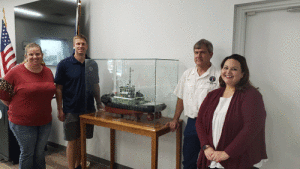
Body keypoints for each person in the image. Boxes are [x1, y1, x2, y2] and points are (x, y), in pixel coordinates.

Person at [196, 54, 268, 169]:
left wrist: (227, 153)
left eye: (234, 69)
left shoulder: (252, 96)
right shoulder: (213, 95)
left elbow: (252, 127)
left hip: (240, 161)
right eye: (225, 68)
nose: (228, 71)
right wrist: (206, 147)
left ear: (243, 74)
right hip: (212, 159)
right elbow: (199, 121)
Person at [166, 39, 220, 169]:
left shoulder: (218, 75)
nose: (198, 56)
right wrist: (175, 119)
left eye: (202, 52)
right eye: (196, 52)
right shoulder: (188, 74)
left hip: (210, 125)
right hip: (191, 123)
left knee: (210, 162)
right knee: (189, 160)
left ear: (211, 54)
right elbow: (181, 98)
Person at [0, 43, 56, 169]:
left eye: (37, 54)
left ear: (42, 55)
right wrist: (14, 105)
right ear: (26, 56)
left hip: (45, 121)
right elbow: (2, 92)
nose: (34, 57)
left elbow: (51, 89)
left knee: (40, 153)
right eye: (31, 54)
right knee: (28, 153)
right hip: (22, 122)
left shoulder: (47, 71)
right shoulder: (16, 71)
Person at [55, 34, 103, 169]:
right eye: (78, 44)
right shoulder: (64, 64)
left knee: (82, 140)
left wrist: (99, 103)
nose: (81, 46)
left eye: (83, 44)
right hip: (71, 109)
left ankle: (80, 165)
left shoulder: (92, 64)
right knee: (72, 141)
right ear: (73, 46)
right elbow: (58, 89)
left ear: (86, 46)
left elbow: (95, 85)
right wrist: (60, 109)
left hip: (88, 108)